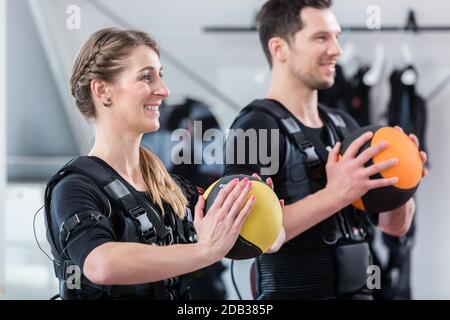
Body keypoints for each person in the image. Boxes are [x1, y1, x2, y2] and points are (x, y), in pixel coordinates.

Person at [224, 0, 427, 300]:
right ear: (279, 49)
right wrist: (335, 195)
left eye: (336, 36)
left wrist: (403, 181)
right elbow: (244, 235)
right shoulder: (255, 126)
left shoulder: (342, 123)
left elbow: (394, 226)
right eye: (321, 38)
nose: (336, 49)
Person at [44, 28, 257, 300]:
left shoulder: (171, 188)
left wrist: (260, 207)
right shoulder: (74, 188)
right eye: (146, 77)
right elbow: (101, 264)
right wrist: (206, 250)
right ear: (102, 90)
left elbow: (265, 235)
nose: (164, 91)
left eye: (161, 76)